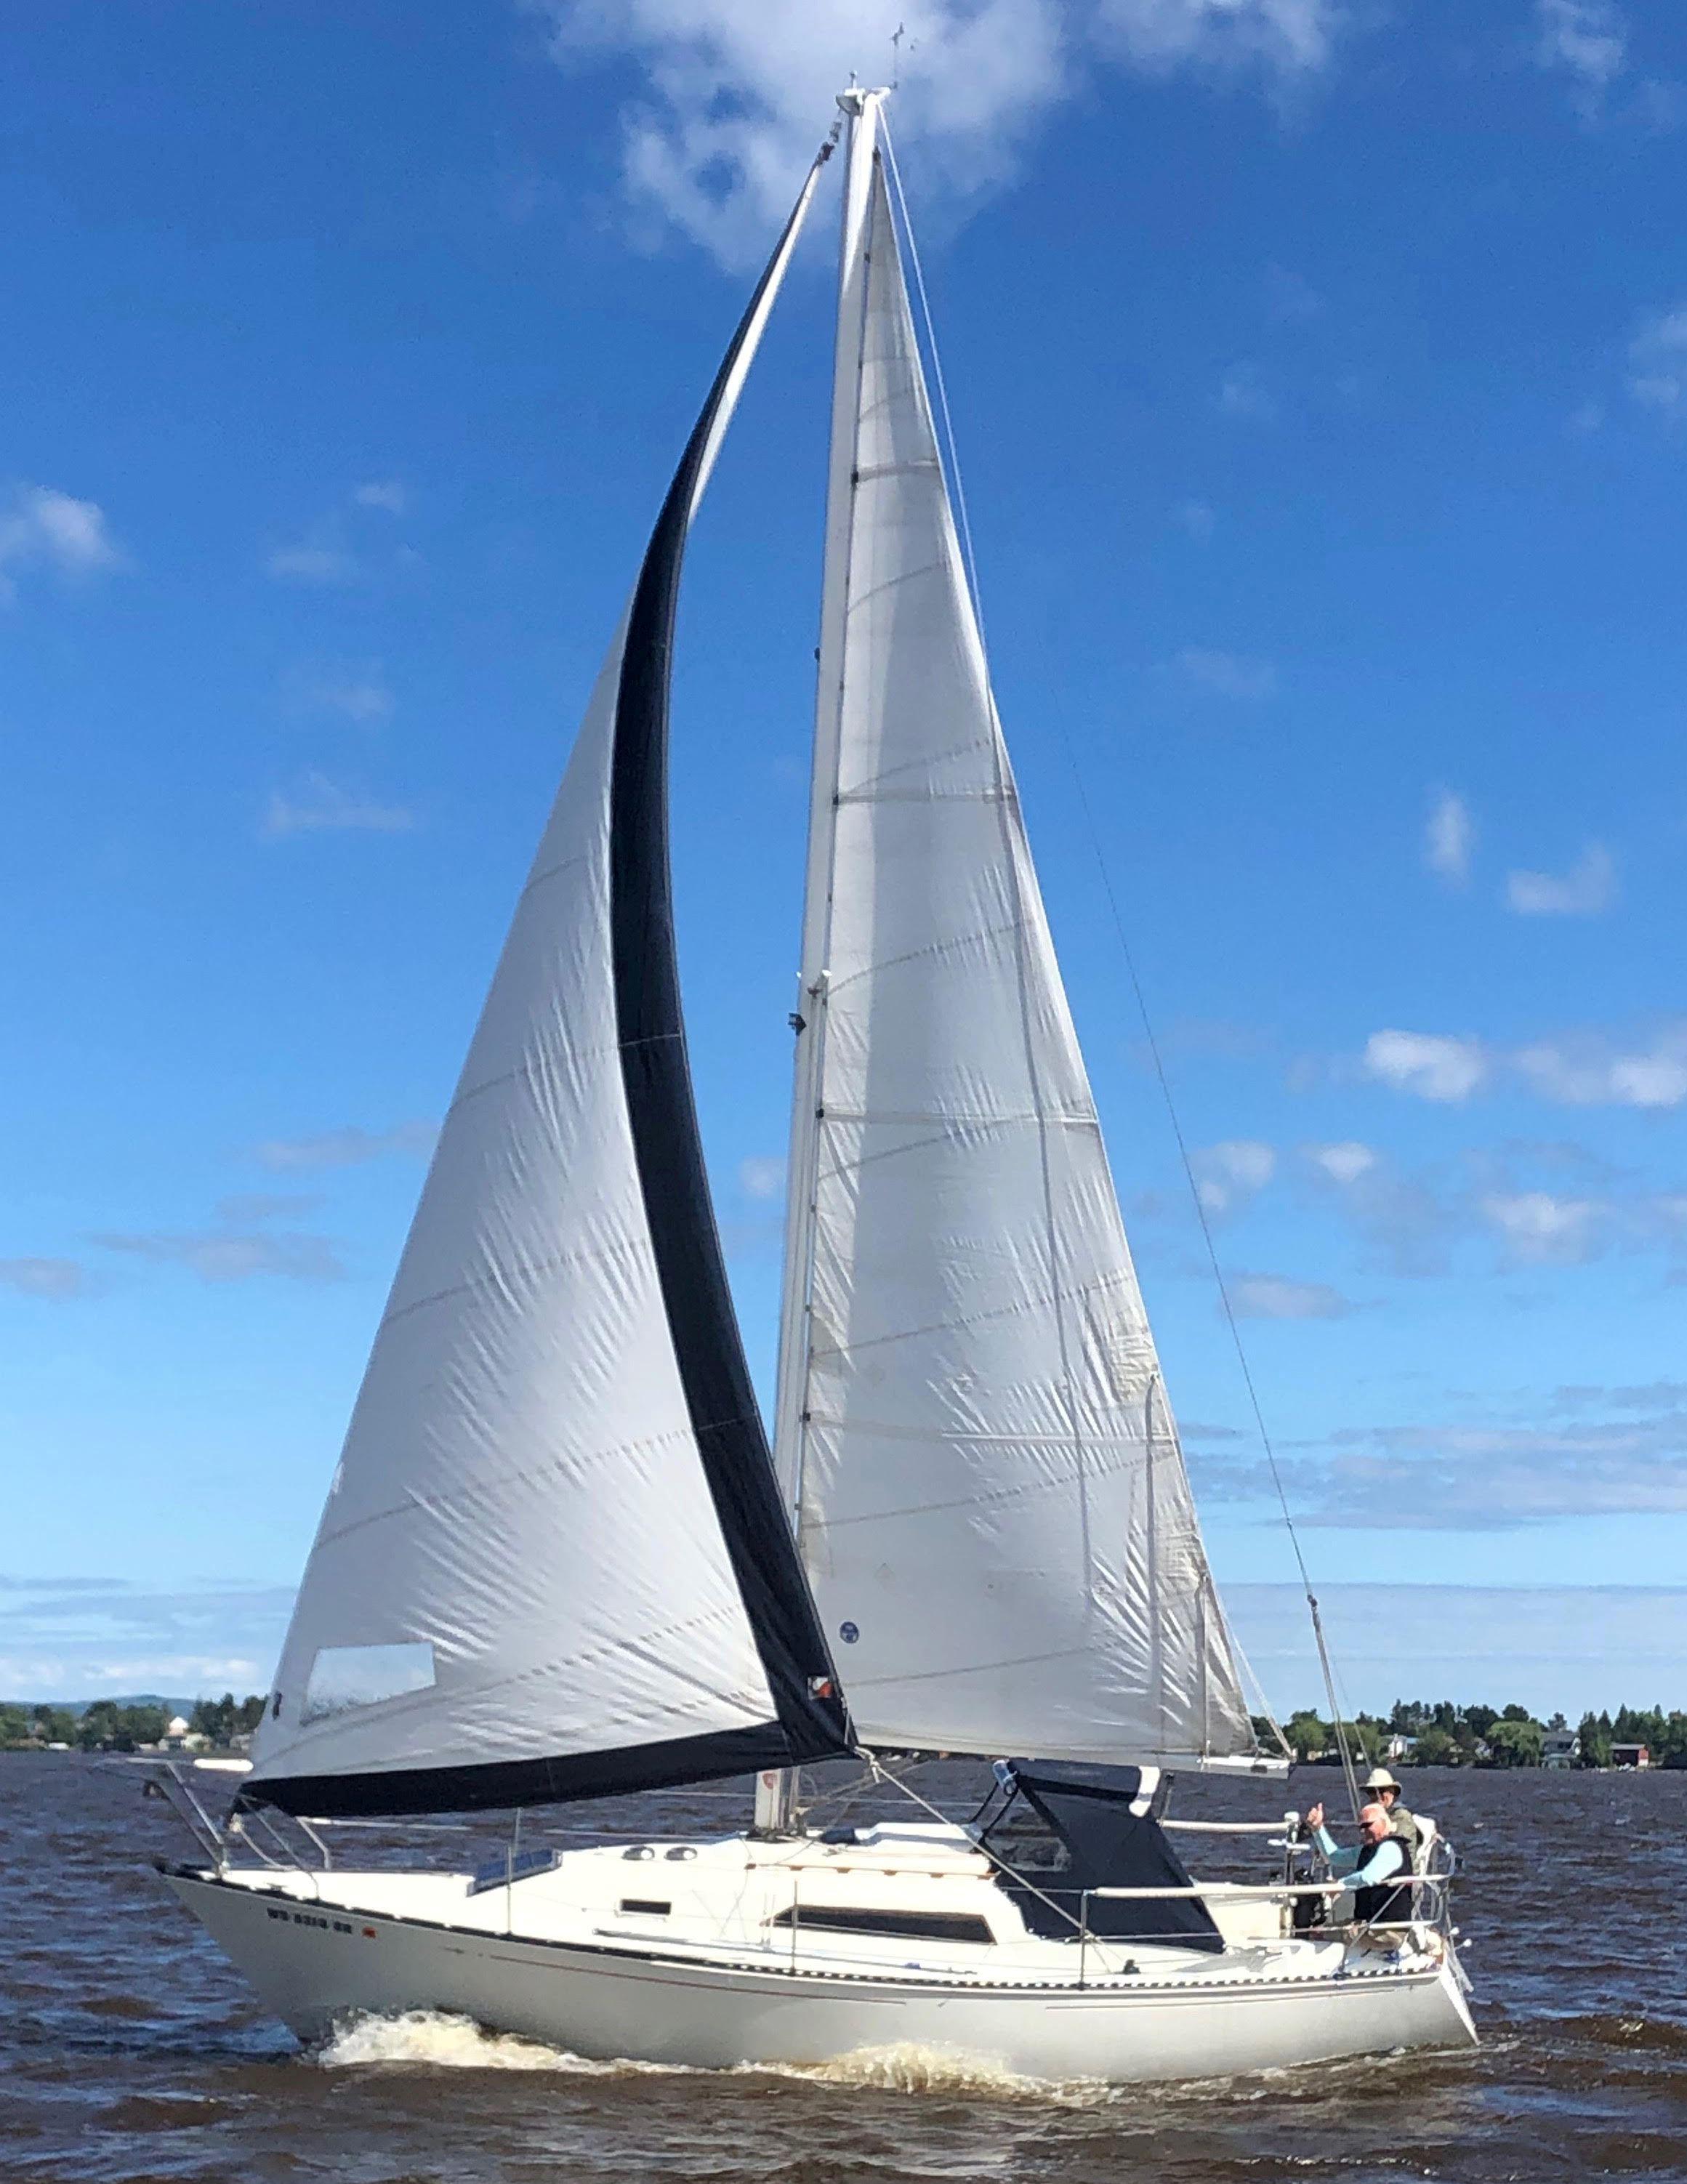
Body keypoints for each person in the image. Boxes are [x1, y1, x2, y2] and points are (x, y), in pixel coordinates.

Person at [1303, 1800, 1413, 1925]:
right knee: (1323, 1930)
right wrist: (1318, 1829)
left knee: (1321, 1935)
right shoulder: (1367, 1850)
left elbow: (1369, 1877)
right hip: (1369, 1923)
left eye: (1368, 1825)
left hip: (1386, 1928)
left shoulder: (1391, 1848)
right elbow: (1334, 1857)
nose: (1363, 1831)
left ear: (1384, 1823)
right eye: (1362, 1827)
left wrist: (1340, 1885)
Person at [1363, 1766, 1422, 1863]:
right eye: (1371, 1792)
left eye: (1381, 1791)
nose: (1376, 1796)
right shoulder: (1375, 1816)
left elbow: (1396, 1851)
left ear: (1392, 1792)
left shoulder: (1402, 1816)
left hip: (1402, 1875)